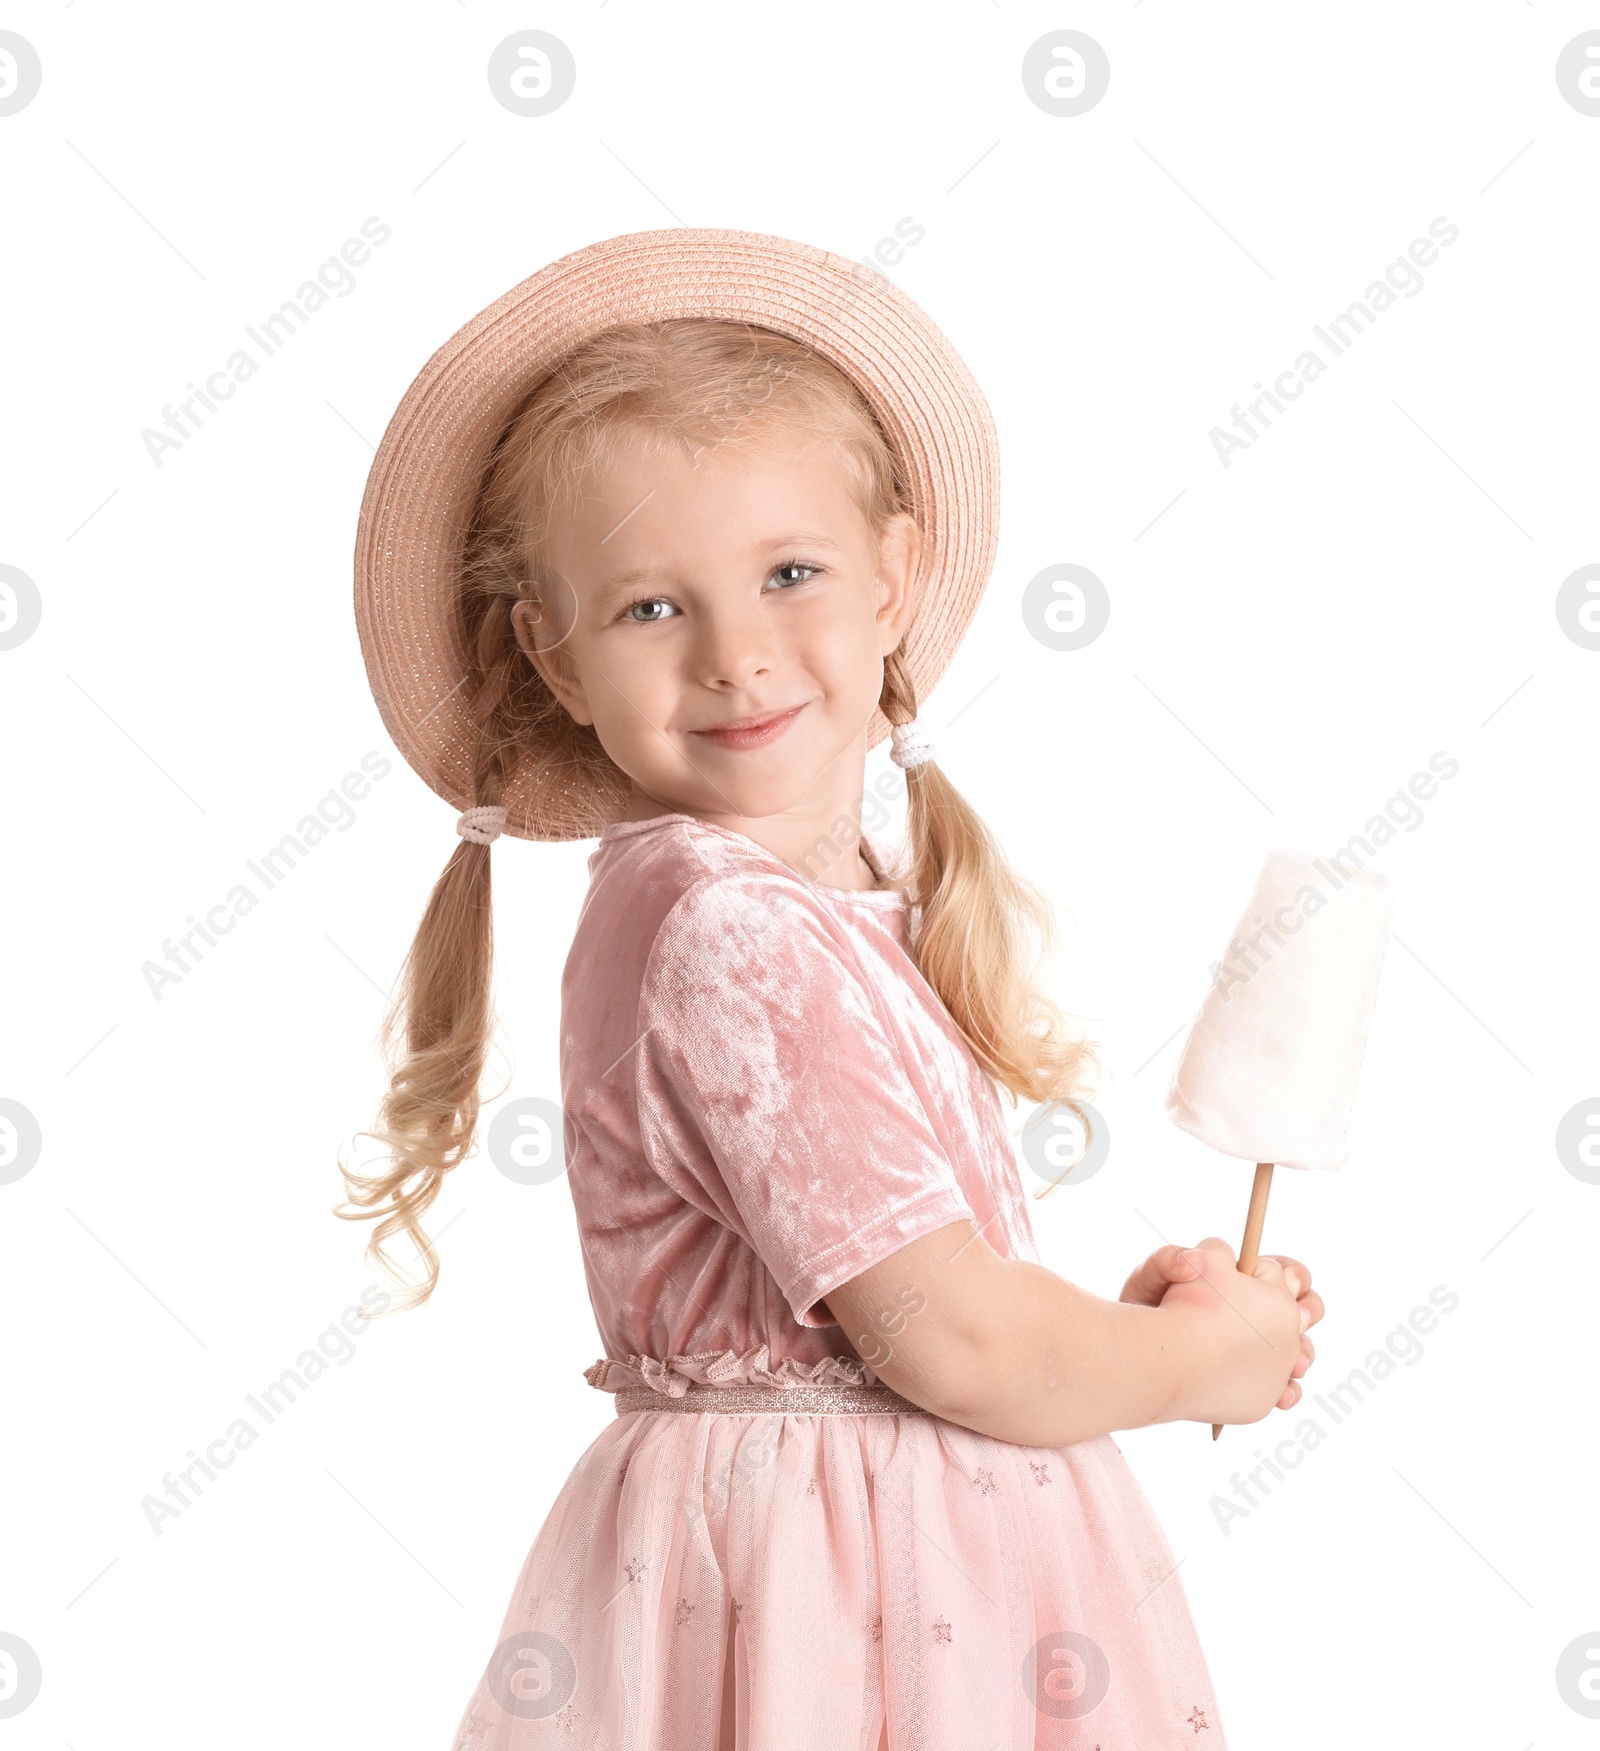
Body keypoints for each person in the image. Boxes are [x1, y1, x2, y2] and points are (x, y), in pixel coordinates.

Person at [340, 229, 1323, 1749]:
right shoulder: (729, 932)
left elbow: (932, 1314)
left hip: (894, 1560)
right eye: (653, 608)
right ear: (551, 651)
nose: (740, 657)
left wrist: (1106, 1333)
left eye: (788, 573)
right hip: (843, 1591)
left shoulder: (816, 900)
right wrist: (1204, 1360)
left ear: (893, 578)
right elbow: (954, 1346)